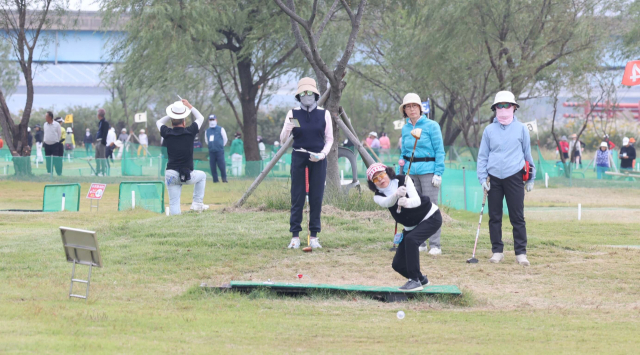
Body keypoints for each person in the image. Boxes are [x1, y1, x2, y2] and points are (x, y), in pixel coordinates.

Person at [477, 90, 535, 266]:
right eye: (499, 106)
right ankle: (497, 251)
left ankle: (521, 253)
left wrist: (531, 179)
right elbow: (482, 156)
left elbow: (528, 155)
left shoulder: (521, 129)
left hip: (514, 176)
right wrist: (482, 179)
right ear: (495, 109)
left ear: (513, 108)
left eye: (506, 106)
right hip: (493, 177)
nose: (503, 109)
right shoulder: (489, 130)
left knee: (517, 216)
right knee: (494, 216)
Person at [367, 163, 442, 291]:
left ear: (387, 173)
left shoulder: (403, 180)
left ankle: (414, 281)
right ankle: (420, 279)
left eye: (381, 175)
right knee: (397, 264)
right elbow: (387, 202)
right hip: (410, 226)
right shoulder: (378, 196)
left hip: (430, 217)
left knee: (411, 240)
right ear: (373, 183)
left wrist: (407, 202)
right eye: (375, 178)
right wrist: (396, 195)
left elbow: (417, 201)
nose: (380, 179)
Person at [280, 77, 333, 249]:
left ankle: (314, 236)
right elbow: (283, 140)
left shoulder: (324, 114)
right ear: (298, 96)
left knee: (316, 196)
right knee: (298, 196)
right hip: (299, 157)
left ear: (316, 94)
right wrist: (288, 127)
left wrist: (323, 154)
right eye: (303, 93)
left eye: (310, 92)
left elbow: (329, 139)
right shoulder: (293, 114)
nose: (306, 95)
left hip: (318, 158)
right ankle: (295, 236)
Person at [398, 93, 445, 255]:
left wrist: (438, 172)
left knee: (431, 208)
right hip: (411, 172)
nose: (411, 109)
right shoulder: (405, 128)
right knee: (415, 207)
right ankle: (421, 242)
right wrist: (401, 170)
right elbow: (404, 152)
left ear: (420, 108)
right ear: (404, 110)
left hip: (429, 171)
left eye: (414, 106)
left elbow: (440, 150)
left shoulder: (432, 126)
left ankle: (435, 245)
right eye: (408, 107)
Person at [157, 99, 208, 215]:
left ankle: (176, 223)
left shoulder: (167, 132)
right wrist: (189, 106)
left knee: (174, 202)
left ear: (171, 123)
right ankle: (197, 203)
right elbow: (200, 118)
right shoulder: (190, 132)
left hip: (171, 173)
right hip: (187, 174)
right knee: (202, 176)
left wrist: (172, 113)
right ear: (184, 122)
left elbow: (159, 122)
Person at [204, 114, 228, 183]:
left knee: (221, 165)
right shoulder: (207, 131)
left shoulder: (221, 129)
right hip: (211, 151)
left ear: (216, 120)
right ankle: (215, 180)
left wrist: (220, 146)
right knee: (212, 166)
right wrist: (211, 146)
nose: (212, 121)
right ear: (209, 121)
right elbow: (206, 140)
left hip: (219, 151)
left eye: (213, 119)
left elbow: (225, 139)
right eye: (211, 120)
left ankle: (224, 179)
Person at [95, 108, 110, 176]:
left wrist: (103, 142)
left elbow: (105, 133)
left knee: (102, 157)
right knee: (97, 157)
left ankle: (103, 172)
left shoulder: (105, 122)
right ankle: (98, 171)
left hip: (101, 142)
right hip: (98, 141)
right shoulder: (100, 122)